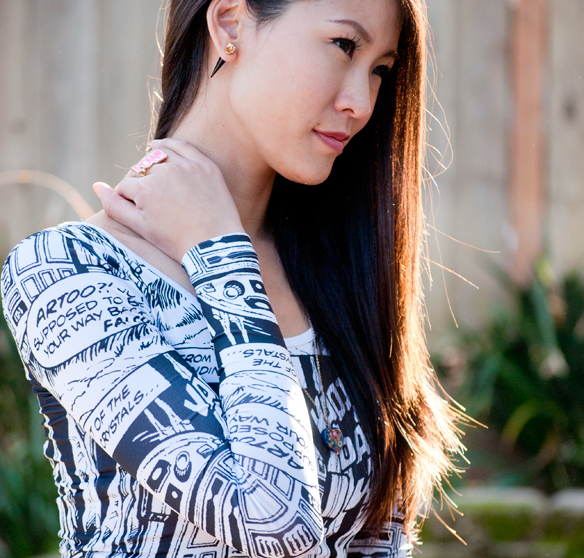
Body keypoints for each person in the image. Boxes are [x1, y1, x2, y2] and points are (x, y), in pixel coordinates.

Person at [1, 0, 463, 556]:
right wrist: (221, 258)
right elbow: (272, 522)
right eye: (344, 46)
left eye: (380, 70)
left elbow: (382, 539)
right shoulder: (66, 271)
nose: (361, 103)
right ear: (229, 24)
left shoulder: (341, 276)